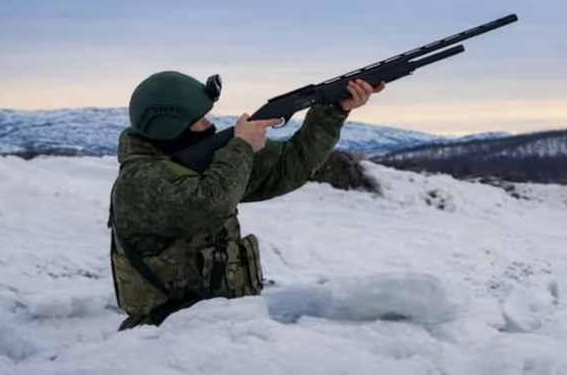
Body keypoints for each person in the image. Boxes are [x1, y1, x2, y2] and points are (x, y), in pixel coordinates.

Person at [108, 70, 385, 330]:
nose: (209, 126)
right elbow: (210, 204)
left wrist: (334, 110)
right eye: (199, 120)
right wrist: (241, 146)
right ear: (169, 126)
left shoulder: (197, 163)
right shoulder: (139, 183)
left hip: (222, 327)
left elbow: (292, 164)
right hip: (163, 336)